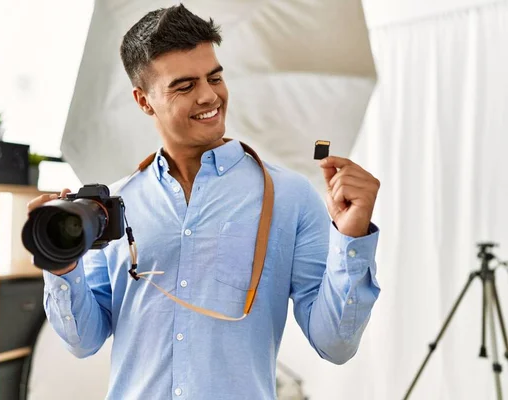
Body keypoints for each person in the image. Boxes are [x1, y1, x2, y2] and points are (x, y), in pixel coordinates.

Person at [29, 4, 381, 399]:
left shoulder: (290, 197)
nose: (209, 95)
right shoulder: (109, 206)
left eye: (214, 77)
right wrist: (61, 266)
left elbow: (335, 344)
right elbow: (84, 341)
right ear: (144, 101)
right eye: (185, 86)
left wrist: (352, 238)